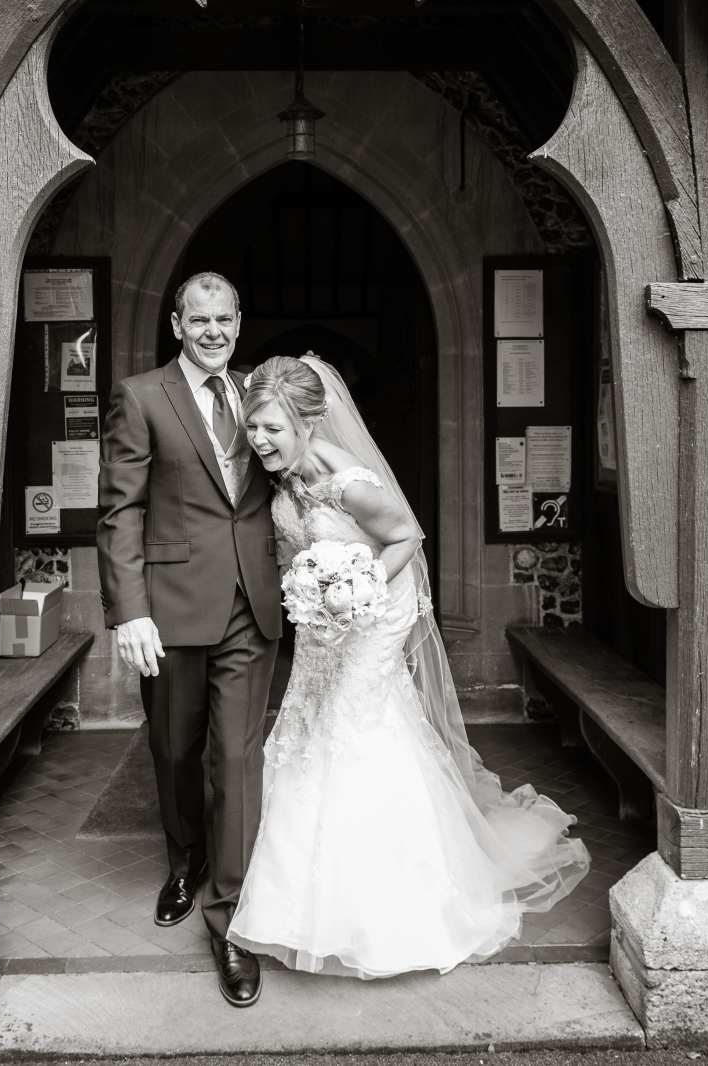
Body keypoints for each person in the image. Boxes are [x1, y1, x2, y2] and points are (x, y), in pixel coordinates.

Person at [227, 354, 590, 979]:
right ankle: (293, 895)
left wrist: (356, 587)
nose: (258, 439)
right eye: (253, 427)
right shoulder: (287, 474)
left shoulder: (351, 484)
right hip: (324, 621)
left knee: (354, 730)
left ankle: (385, 905)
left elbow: (407, 537)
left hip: (372, 617)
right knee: (306, 728)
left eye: (271, 429)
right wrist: (313, 591)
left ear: (308, 424)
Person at [96, 272, 280, 1008]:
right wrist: (128, 611)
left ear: (239, 321)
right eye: (199, 319)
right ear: (177, 325)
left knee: (236, 759)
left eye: (224, 319)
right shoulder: (141, 397)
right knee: (175, 751)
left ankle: (230, 919)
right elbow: (120, 511)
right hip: (170, 609)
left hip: (252, 604)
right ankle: (186, 860)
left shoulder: (259, 392)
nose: (213, 331)